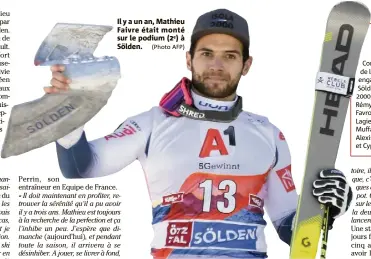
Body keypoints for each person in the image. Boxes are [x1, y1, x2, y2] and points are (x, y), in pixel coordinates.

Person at [47, 8, 353, 259]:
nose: (217, 65)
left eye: (230, 56)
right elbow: (79, 166)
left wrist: (325, 210)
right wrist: (70, 111)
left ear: (246, 65)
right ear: (189, 58)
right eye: (207, 53)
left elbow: (293, 232)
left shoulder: (269, 134)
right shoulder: (152, 123)